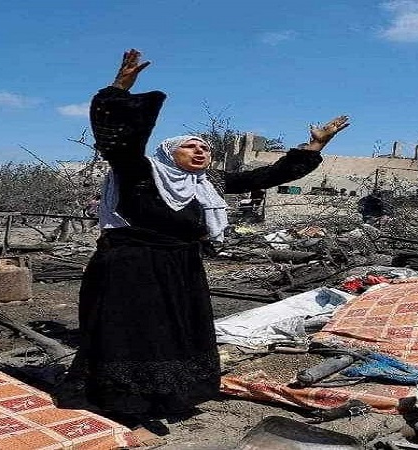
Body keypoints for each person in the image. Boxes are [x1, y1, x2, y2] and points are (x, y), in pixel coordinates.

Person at [55, 49, 350, 429]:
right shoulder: (139, 172)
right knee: (130, 332)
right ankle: (121, 398)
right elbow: (119, 142)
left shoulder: (207, 185)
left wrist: (315, 146)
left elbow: (268, 175)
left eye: (205, 147)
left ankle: (170, 395)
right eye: (190, 145)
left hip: (181, 269)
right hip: (131, 269)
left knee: (175, 333)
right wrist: (119, 91)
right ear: (168, 153)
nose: (200, 150)